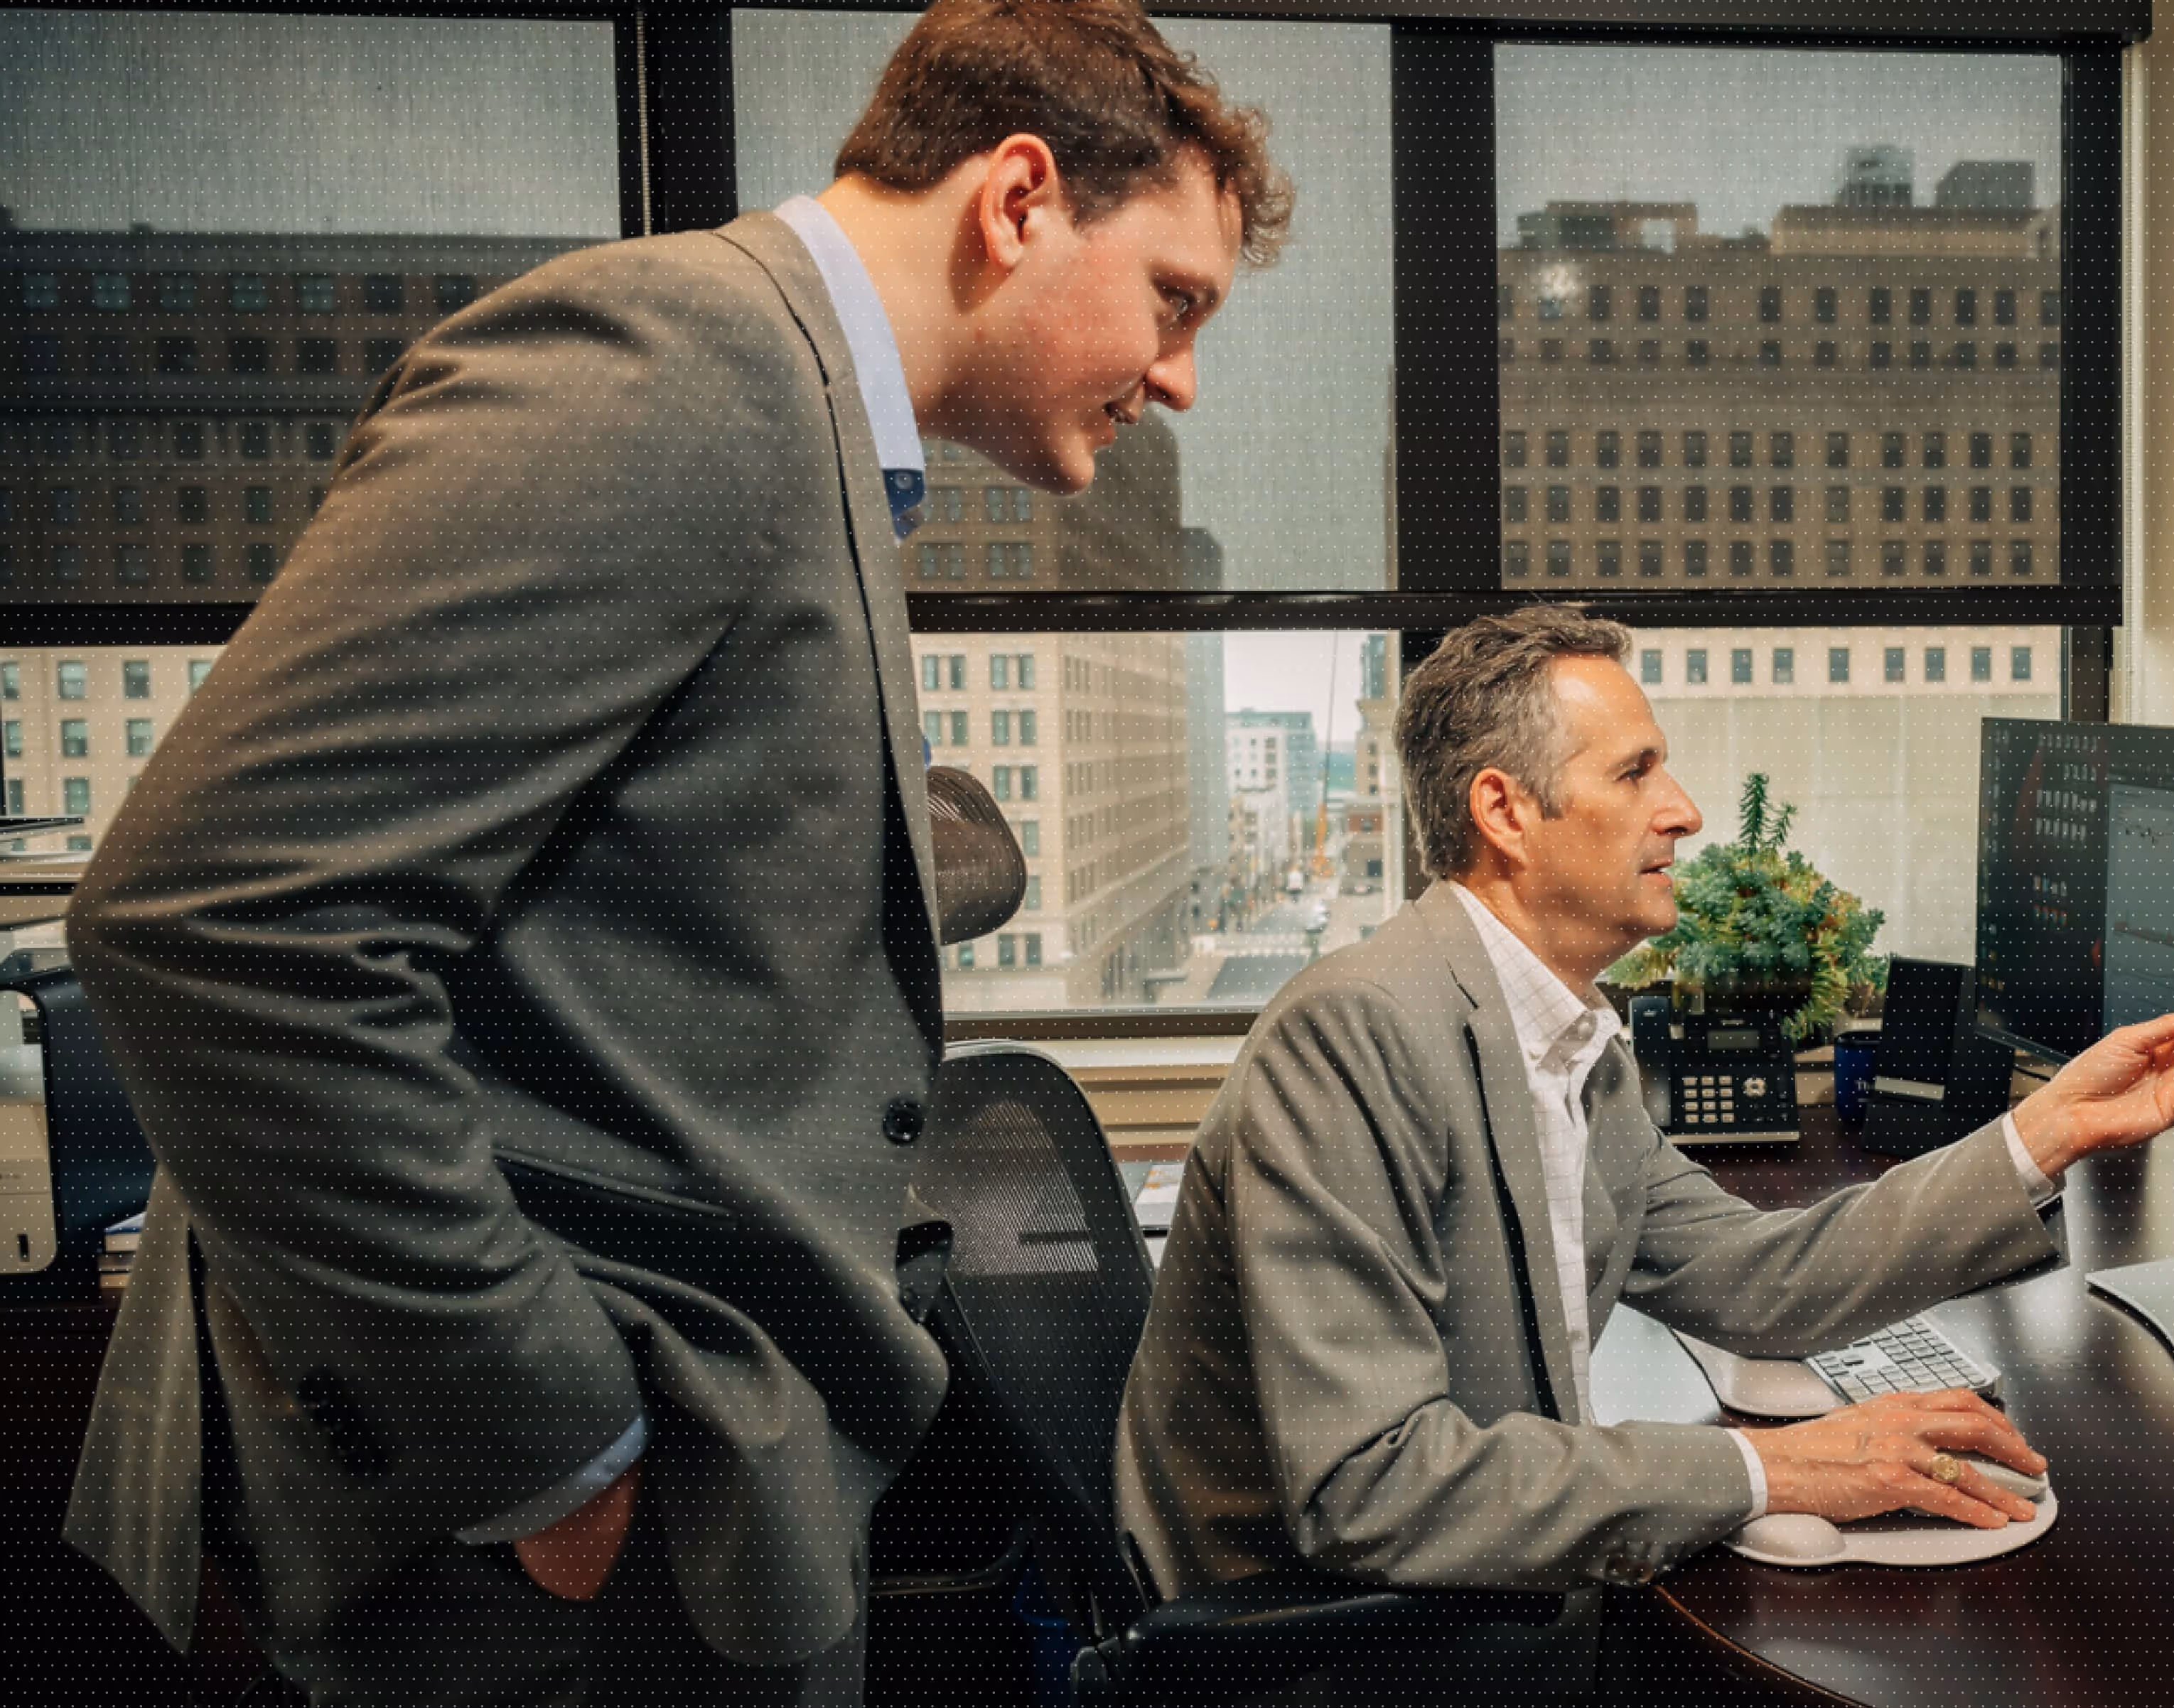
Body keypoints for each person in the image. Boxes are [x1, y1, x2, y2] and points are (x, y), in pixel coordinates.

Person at [60, 4, 1287, 1702]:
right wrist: (556, 1443)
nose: (1179, 378)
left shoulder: (814, 435)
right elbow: (217, 921)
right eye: (1174, 297)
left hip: (675, 1487)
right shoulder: (682, 363)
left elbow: (648, 862)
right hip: (523, 1528)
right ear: (1017, 200)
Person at [1116, 606, 2174, 1628]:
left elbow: (1757, 1275)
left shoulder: (1562, 1035)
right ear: (1505, 811)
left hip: (1467, 1592)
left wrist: (2045, 1131)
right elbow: (1368, 1487)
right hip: (1332, 1645)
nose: (1686, 812)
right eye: (1637, 771)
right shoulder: (1354, 1038)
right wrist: (1777, 1472)